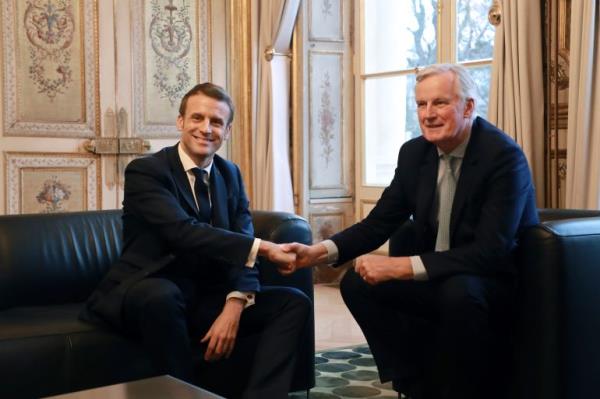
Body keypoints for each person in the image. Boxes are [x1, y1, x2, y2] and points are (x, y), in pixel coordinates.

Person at [281, 64, 538, 399]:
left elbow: (491, 251)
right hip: (439, 276)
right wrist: (318, 252)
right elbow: (379, 222)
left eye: (440, 103)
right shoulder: (415, 153)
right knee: (358, 284)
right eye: (421, 104)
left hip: (491, 280)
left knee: (458, 292)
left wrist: (401, 266)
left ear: (469, 107)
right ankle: (416, 381)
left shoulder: (503, 157)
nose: (428, 114)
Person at [80, 82, 310, 399]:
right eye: (197, 118)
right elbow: (182, 231)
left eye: (216, 122)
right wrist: (266, 248)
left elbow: (241, 237)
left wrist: (235, 302)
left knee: (292, 302)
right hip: (149, 287)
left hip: (203, 294)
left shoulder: (230, 174)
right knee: (162, 295)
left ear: (227, 130)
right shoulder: (146, 171)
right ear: (181, 122)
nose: (205, 129)